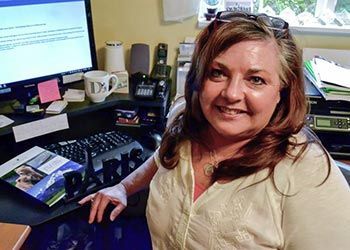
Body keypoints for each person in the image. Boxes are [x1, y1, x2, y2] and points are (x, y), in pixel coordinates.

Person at [79, 11, 350, 249]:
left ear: (282, 90)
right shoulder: (184, 118)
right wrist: (123, 187)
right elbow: (162, 158)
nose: (231, 94)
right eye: (217, 73)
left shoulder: (308, 172)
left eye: (255, 79)